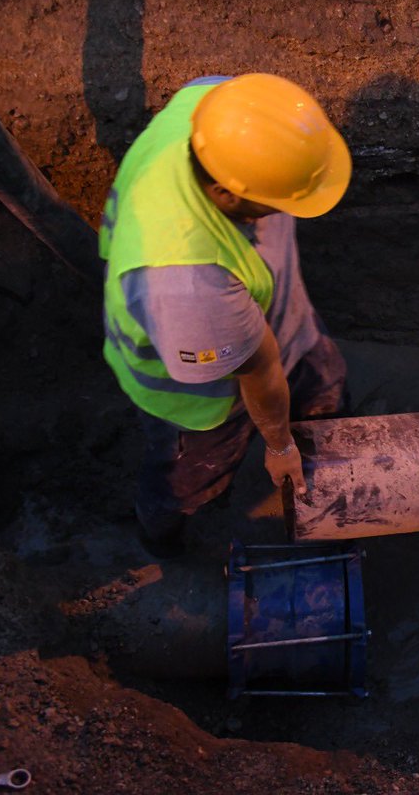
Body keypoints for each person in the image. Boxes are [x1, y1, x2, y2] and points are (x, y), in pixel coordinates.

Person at [99, 73, 353, 557]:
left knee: (326, 397)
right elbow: (258, 370)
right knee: (191, 481)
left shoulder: (213, 108)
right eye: (278, 201)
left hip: (278, 323)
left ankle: (330, 469)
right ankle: (162, 541)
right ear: (226, 194)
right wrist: (279, 446)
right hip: (204, 395)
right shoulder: (188, 283)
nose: (289, 209)